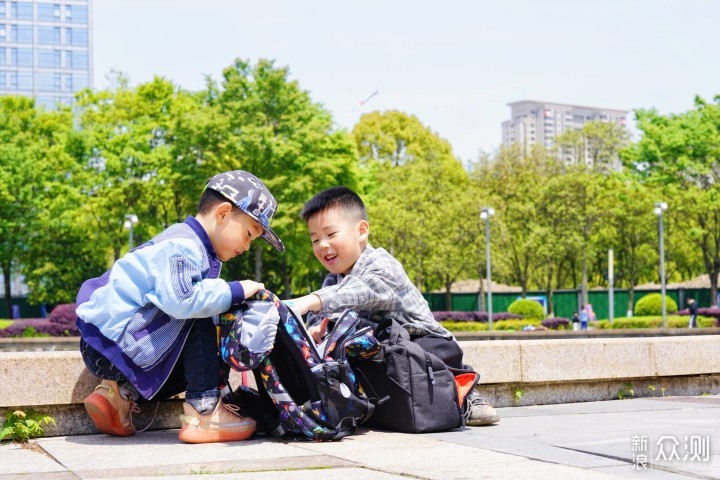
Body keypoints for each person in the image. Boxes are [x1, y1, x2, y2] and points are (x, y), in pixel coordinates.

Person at [75, 170, 285, 443]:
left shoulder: (184, 242)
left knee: (202, 313)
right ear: (222, 213)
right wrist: (237, 289)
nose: (246, 246)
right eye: (248, 234)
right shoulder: (185, 245)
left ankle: (117, 394)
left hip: (112, 346)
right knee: (204, 308)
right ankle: (205, 412)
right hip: (120, 344)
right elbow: (183, 300)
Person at [288, 186, 500, 426]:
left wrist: (307, 301)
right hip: (384, 357)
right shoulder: (331, 281)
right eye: (315, 239)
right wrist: (316, 332)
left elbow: (361, 290)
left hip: (423, 346)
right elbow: (323, 317)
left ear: (361, 231)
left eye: (331, 234)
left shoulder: (382, 265)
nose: (322, 245)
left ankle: (465, 394)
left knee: (429, 352)